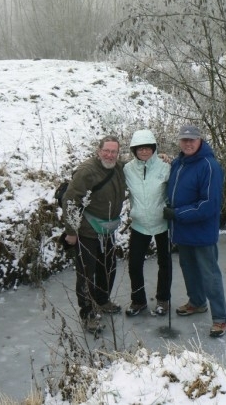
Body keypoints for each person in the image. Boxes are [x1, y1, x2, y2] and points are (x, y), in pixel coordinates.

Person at [162, 125, 226, 337]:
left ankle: (220, 318)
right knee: (188, 269)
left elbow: (209, 204)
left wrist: (178, 213)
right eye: (184, 140)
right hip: (182, 230)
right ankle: (197, 302)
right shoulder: (178, 163)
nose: (188, 143)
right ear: (179, 142)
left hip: (201, 231)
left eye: (192, 140)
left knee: (209, 275)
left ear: (200, 140)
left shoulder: (209, 166)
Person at [62, 135, 126, 333]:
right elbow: (70, 201)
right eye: (106, 150)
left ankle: (102, 299)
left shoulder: (117, 168)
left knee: (108, 266)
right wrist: (71, 232)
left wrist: (163, 157)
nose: (109, 154)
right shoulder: (87, 171)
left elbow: (140, 164)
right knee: (86, 273)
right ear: (98, 151)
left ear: (117, 153)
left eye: (113, 151)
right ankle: (88, 313)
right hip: (87, 230)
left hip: (107, 229)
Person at [123, 129, 171, 317]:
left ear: (154, 148)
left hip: (162, 222)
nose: (144, 152)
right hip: (139, 223)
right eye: (140, 148)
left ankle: (163, 299)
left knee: (165, 263)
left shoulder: (165, 166)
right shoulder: (127, 169)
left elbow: (175, 189)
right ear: (134, 150)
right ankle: (138, 301)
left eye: (148, 148)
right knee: (134, 263)